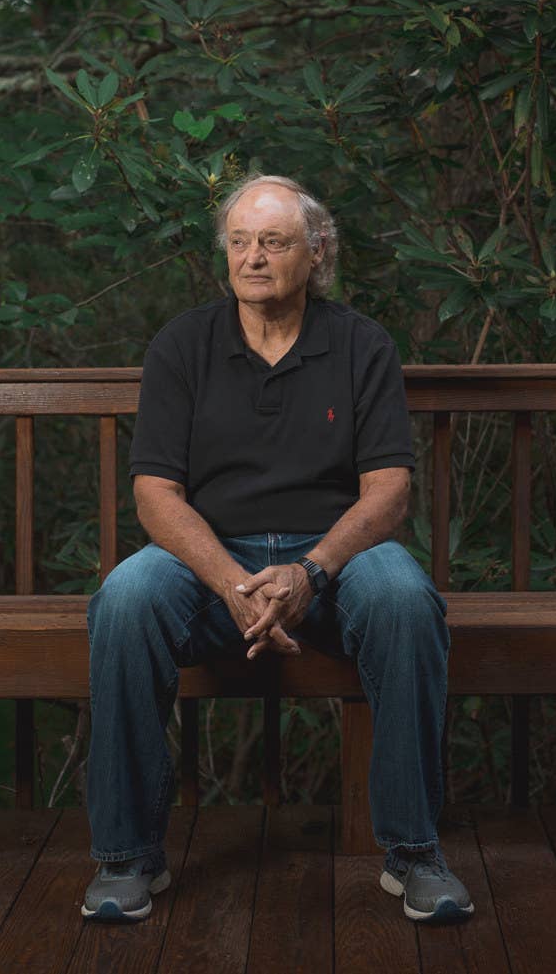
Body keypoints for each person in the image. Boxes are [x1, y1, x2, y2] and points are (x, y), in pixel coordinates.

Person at [80, 174, 472, 924]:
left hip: (333, 560)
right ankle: (127, 857)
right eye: (239, 241)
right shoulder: (184, 345)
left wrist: (312, 569)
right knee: (126, 599)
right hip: (208, 561)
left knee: (404, 599)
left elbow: (389, 489)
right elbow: (155, 494)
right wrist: (232, 579)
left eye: (273, 241)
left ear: (315, 251)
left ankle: (416, 853)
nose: (252, 257)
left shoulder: (360, 345)